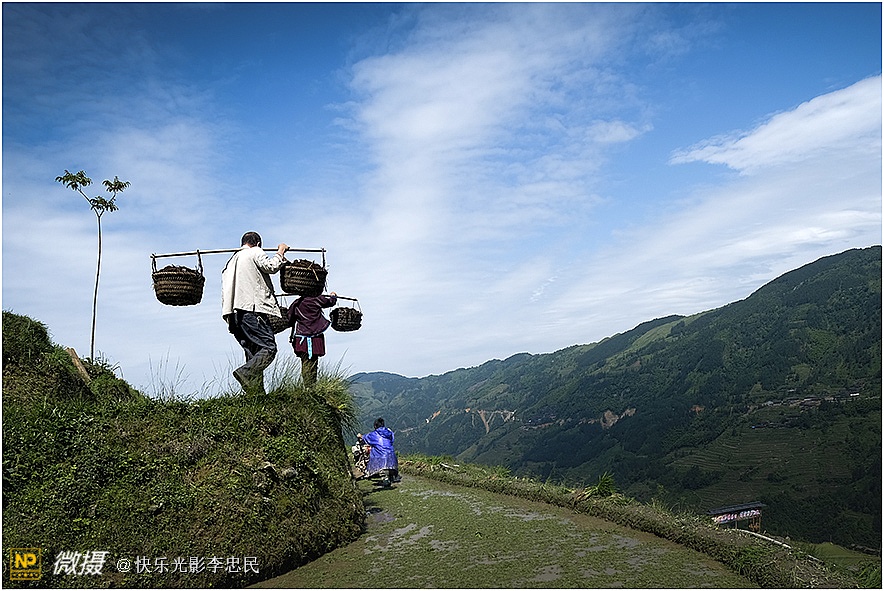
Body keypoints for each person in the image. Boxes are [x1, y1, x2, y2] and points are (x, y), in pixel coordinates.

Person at [221, 231, 288, 394]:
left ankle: (256, 395)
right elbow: (271, 267)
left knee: (253, 353)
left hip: (234, 315)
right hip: (251, 310)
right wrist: (280, 251)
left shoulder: (231, 261)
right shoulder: (255, 252)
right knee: (269, 348)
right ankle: (245, 373)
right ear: (257, 243)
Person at [287, 291, 337, 386]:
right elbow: (330, 302)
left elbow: (289, 320)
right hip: (315, 336)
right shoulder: (317, 299)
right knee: (313, 362)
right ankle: (311, 385)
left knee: (305, 361)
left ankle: (308, 385)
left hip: (301, 338)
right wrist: (333, 296)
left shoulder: (296, 303)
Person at [360, 417, 400, 486]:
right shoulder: (389, 432)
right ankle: (392, 477)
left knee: (375, 452)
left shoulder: (374, 434)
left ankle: (385, 480)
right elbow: (392, 440)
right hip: (392, 456)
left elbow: (365, 437)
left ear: (375, 426)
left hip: (381, 457)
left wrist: (360, 436)